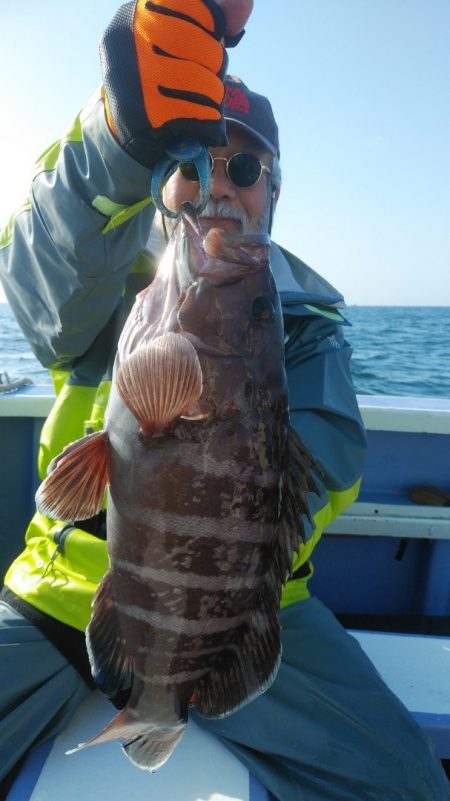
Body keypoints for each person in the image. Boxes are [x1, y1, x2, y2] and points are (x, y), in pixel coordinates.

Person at [0, 2, 448, 799]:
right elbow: (38, 278)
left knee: (407, 783)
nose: (221, 185)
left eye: (246, 170)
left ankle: (178, 699)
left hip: (247, 611)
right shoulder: (107, 290)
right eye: (193, 160)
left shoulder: (305, 327)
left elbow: (328, 464)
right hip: (62, 590)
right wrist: (114, 140)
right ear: (160, 179)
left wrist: (212, 582)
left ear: (274, 192)